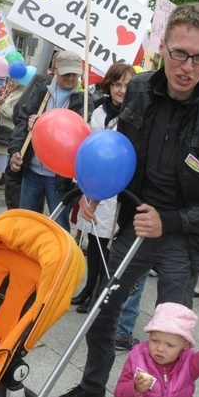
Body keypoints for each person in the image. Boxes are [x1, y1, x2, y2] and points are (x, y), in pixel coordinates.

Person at [49, 2, 199, 397]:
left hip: (182, 239)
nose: (187, 66)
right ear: (162, 46)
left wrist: (170, 221)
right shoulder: (138, 89)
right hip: (134, 225)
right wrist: (94, 187)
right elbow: (117, 153)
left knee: (173, 335)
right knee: (101, 313)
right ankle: (92, 387)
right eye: (179, 52)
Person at [72, 63, 136, 312]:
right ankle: (89, 288)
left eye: (127, 85)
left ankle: (99, 293)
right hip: (92, 185)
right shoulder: (98, 110)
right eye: (117, 84)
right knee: (91, 238)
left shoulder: (132, 115)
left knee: (105, 246)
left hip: (114, 189)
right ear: (109, 84)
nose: (121, 90)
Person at [7, 50, 85, 230]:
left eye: (75, 74)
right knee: (25, 223)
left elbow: (79, 139)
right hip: (33, 170)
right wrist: (15, 151)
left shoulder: (82, 100)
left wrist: (42, 124)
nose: (71, 78)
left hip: (60, 178)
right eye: (66, 73)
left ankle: (58, 259)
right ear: (56, 70)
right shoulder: (42, 91)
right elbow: (22, 120)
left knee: (59, 227)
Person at [0, 79, 24, 187]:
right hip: (1, 126)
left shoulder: (20, 96)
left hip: (9, 128)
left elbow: (13, 114)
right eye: (11, 81)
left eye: (14, 82)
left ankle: (7, 180)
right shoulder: (11, 92)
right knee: (1, 155)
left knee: (6, 156)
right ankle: (2, 177)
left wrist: (3, 104)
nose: (11, 83)